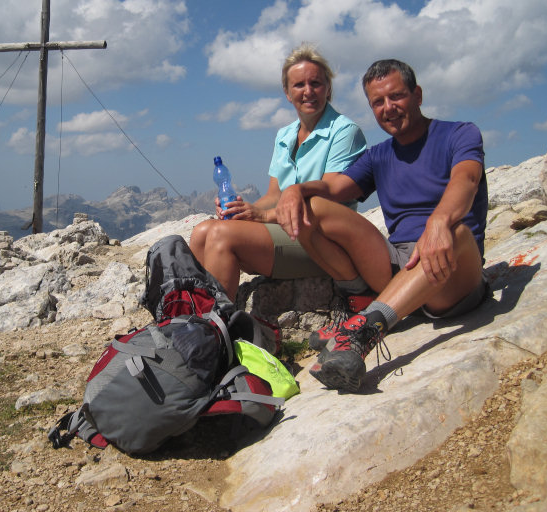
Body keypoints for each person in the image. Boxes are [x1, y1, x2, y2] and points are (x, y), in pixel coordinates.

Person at [273, 58, 488, 393]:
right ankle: (363, 305)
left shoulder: (458, 134)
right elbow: (333, 189)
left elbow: (467, 179)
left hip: (453, 270)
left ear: (417, 95)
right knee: (314, 209)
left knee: (457, 231)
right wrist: (295, 190)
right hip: (397, 266)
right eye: (378, 102)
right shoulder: (379, 156)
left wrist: (439, 221)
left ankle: (364, 331)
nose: (388, 108)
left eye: (397, 96)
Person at [189, 44, 367, 301]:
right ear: (287, 92)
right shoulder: (284, 135)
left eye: (315, 83)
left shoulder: (344, 132)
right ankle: (195, 319)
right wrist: (242, 211)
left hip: (322, 240)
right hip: (286, 232)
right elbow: (275, 194)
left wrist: (261, 216)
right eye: (299, 85)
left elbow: (329, 199)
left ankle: (216, 328)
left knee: (220, 235)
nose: (308, 92)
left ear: (328, 88)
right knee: (202, 231)